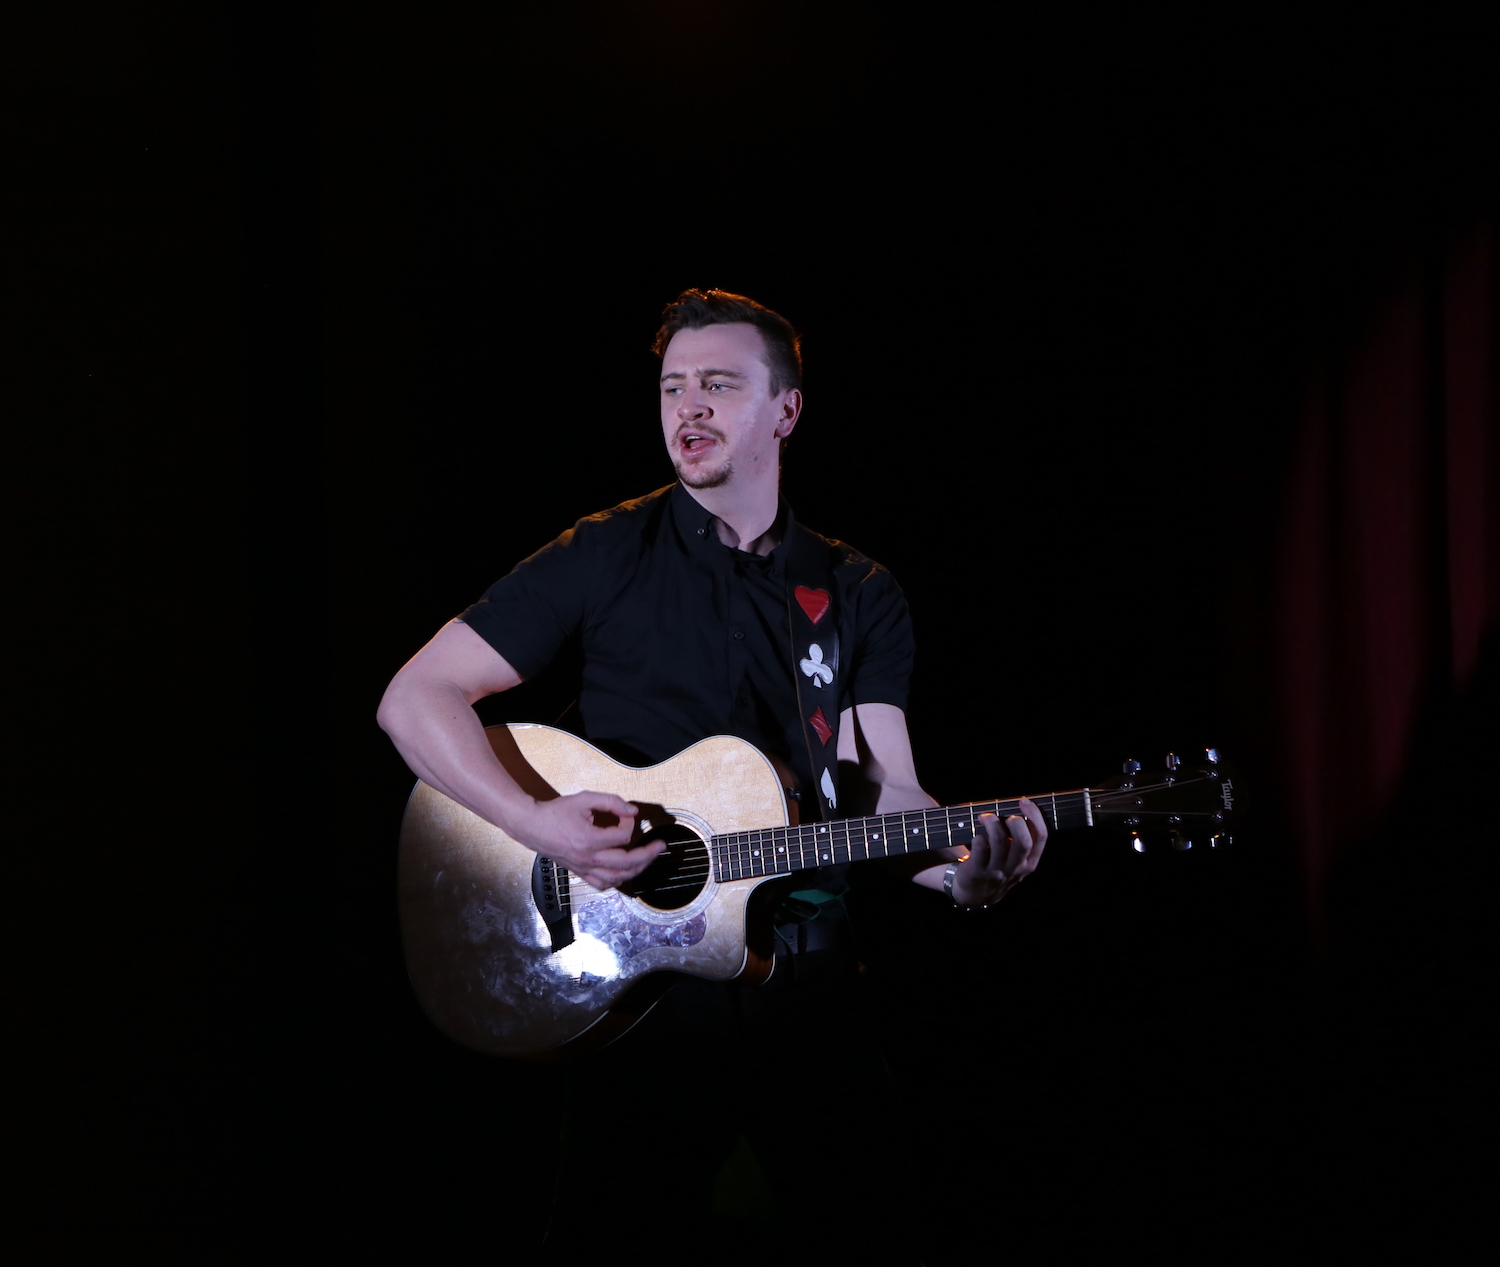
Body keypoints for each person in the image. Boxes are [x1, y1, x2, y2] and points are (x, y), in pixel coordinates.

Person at [376, 288, 1045, 1252]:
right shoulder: (603, 551)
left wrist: (959, 876)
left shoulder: (857, 590)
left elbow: (883, 790)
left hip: (811, 988)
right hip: (642, 992)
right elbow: (415, 697)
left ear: (786, 409)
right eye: (672, 386)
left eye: (719, 384)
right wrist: (534, 821)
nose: (688, 405)